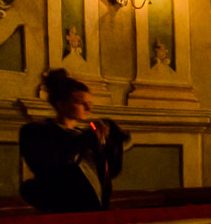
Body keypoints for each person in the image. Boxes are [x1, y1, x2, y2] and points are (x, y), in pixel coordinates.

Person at [19, 69, 130, 212]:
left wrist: (111, 144)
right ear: (61, 104)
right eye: (80, 102)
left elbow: (110, 172)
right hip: (63, 211)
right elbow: (51, 164)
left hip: (96, 208)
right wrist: (86, 139)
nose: (88, 107)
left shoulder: (83, 134)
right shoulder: (36, 131)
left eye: (89, 103)